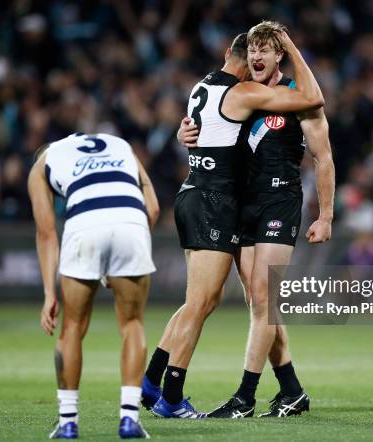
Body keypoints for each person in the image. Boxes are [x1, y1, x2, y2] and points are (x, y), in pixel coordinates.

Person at [142, 31, 324, 419]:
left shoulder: (201, 87)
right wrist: (291, 49)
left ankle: (285, 390)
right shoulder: (244, 93)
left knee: (253, 301)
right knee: (211, 302)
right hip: (216, 202)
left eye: (266, 52)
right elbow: (312, 97)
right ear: (244, 58)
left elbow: (203, 129)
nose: (257, 61)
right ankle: (170, 396)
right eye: (254, 53)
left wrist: (182, 134)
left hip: (209, 196)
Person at [28, 132, 159, 439]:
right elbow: (152, 208)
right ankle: (128, 419)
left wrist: (49, 293)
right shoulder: (120, 143)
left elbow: (47, 233)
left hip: (84, 225)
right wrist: (132, 251)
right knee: (132, 324)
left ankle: (68, 423)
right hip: (131, 222)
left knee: (72, 327)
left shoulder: (41, 165)